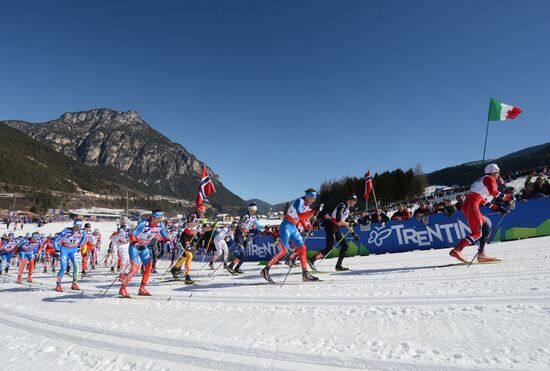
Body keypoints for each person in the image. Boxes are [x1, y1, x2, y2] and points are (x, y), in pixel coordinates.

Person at [449, 164, 513, 263]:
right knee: (477, 233)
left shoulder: (481, 180)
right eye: (498, 173)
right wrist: (508, 197)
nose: (499, 175)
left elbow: (483, 200)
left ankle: (481, 254)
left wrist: (497, 209)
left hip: (469, 205)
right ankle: (457, 250)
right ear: (494, 172)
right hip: (472, 205)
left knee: (486, 225)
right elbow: (493, 192)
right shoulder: (490, 178)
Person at [260, 189, 320, 283]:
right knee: (283, 252)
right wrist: (313, 211)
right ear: (308, 196)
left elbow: (302, 218)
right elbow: (300, 215)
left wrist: (306, 227)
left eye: (315, 198)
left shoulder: (306, 204)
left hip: (293, 227)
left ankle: (305, 274)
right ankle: (265, 270)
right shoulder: (300, 201)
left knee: (302, 248)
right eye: (313, 198)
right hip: (286, 226)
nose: (314, 200)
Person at [119, 209, 168, 297]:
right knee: (135, 269)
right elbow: (132, 236)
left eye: (159, 218)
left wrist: (167, 241)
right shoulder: (143, 224)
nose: (157, 220)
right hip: (135, 247)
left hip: (144, 247)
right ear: (152, 217)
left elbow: (164, 234)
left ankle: (142, 288)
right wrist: (136, 244)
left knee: (149, 266)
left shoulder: (160, 225)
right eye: (156, 218)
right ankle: (123, 288)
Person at [308, 194, 360, 272]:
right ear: (351, 200)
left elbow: (344, 222)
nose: (355, 203)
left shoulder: (347, 209)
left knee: (345, 246)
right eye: (355, 201)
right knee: (329, 247)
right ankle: (312, 260)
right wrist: (350, 224)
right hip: (331, 226)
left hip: (336, 227)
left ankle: (338, 266)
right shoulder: (342, 206)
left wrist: (353, 233)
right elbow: (339, 220)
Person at [171, 204, 209, 284]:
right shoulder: (193, 215)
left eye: (204, 212)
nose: (202, 213)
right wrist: (199, 222)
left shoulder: (203, 218)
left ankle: (174, 269)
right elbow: (189, 225)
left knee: (185, 256)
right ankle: (187, 277)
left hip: (192, 238)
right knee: (189, 255)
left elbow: (203, 229)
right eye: (201, 211)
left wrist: (212, 227)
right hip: (185, 237)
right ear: (198, 210)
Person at [227, 203, 264, 274]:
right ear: (251, 209)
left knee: (244, 256)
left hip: (245, 237)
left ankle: (236, 269)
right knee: (242, 254)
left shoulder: (253, 218)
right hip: (239, 236)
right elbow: (238, 226)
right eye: (254, 210)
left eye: (255, 210)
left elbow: (253, 227)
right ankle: (230, 266)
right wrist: (242, 232)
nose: (255, 211)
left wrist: (259, 232)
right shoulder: (245, 216)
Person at [54, 219, 88, 292]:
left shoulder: (82, 231)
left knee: (77, 266)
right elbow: (55, 239)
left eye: (79, 226)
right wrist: (57, 250)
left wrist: (79, 246)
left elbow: (84, 238)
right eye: (76, 226)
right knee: (63, 267)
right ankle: (58, 284)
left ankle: (74, 283)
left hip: (74, 250)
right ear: (73, 225)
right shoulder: (67, 230)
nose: (77, 228)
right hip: (64, 249)